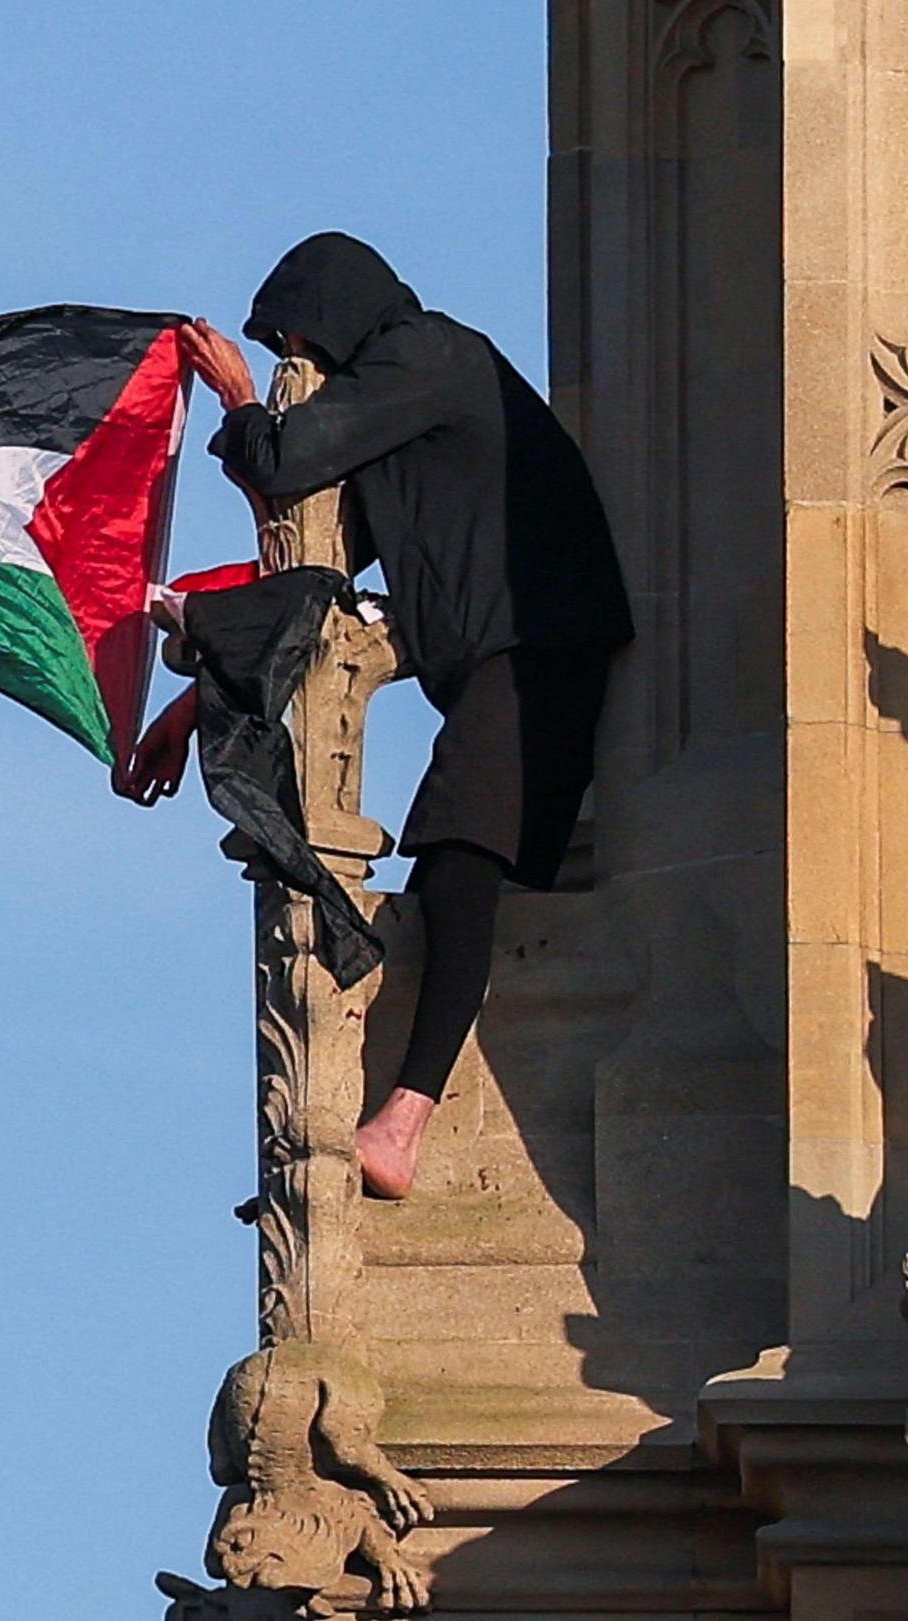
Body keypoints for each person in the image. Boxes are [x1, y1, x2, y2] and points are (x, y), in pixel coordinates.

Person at [179, 233, 631, 1200]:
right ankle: (398, 1114)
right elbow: (319, 585)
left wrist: (234, 394)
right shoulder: (407, 410)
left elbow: (290, 456)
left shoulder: (426, 353)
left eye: (296, 337)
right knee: (459, 868)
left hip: (539, 646)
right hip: (510, 653)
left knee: (459, 864)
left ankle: (405, 1121)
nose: (294, 363)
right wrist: (189, 704)